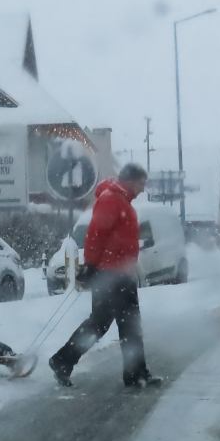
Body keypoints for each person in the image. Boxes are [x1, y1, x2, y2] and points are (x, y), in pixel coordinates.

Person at [48, 163, 162, 389]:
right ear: (129, 180)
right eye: (141, 183)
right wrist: (90, 266)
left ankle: (134, 373)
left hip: (120, 274)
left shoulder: (121, 200)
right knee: (110, 324)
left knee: (115, 324)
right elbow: (95, 235)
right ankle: (64, 360)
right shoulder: (112, 199)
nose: (142, 189)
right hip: (111, 275)